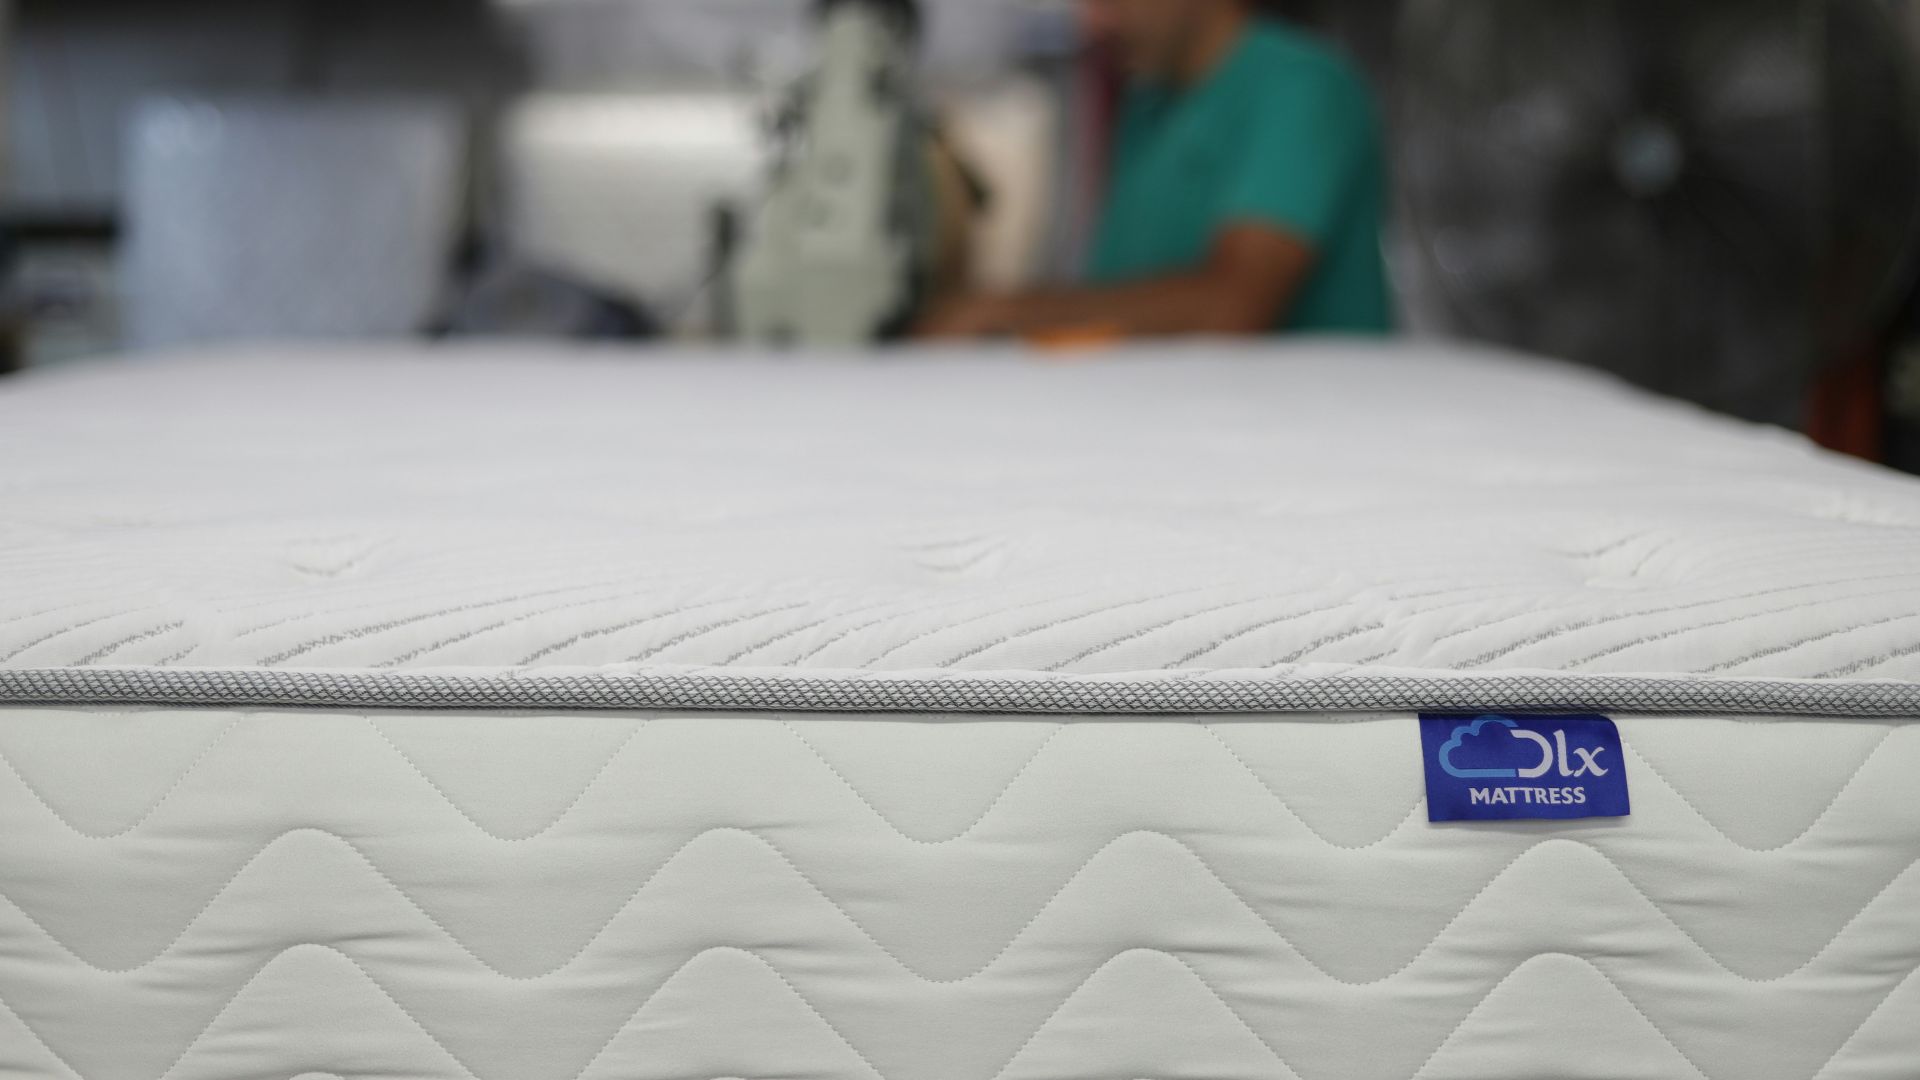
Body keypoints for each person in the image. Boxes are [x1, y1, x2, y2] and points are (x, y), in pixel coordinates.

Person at [918, 0, 1393, 340]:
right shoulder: (1146, 107)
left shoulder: (1302, 87)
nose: (1095, 21)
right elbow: (1118, 305)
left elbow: (1231, 307)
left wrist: (1002, 313)